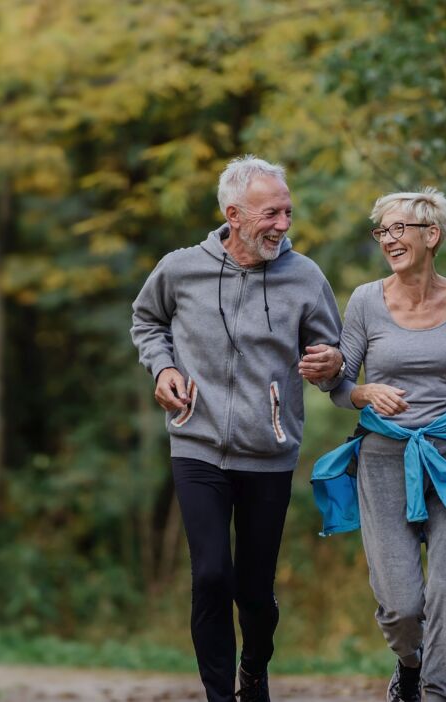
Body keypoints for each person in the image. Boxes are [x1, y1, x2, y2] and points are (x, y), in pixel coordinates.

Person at [130, 155, 345, 702]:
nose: (283, 224)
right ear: (234, 214)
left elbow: (333, 356)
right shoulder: (181, 268)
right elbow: (147, 320)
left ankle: (255, 666)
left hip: (268, 452)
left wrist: (332, 365)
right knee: (209, 577)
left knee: (253, 590)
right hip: (196, 443)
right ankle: (220, 696)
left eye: (287, 212)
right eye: (271, 213)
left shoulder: (305, 277)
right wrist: (165, 367)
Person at [309, 188, 446, 702]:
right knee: (400, 604)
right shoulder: (366, 301)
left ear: (431, 235)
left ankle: (439, 693)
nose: (388, 239)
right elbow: (339, 387)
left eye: (398, 229)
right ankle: (411, 664)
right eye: (382, 231)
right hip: (383, 459)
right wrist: (365, 390)